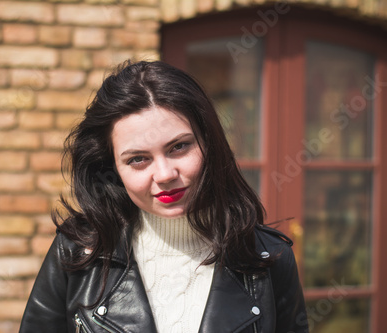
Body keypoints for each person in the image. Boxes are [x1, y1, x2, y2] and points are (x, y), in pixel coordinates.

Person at [19, 60, 309, 333]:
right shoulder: (77, 251)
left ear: (209, 143)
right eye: (137, 159)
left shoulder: (270, 259)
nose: (165, 174)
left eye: (179, 147)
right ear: (113, 168)